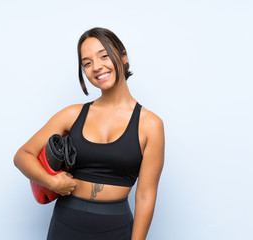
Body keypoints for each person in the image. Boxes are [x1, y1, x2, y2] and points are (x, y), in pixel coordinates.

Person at [14, 27, 165, 240]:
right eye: (87, 63)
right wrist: (51, 182)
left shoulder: (151, 125)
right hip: (65, 224)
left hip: (116, 228)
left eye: (104, 56)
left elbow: (145, 196)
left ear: (123, 57)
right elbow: (22, 155)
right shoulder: (72, 115)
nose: (97, 67)